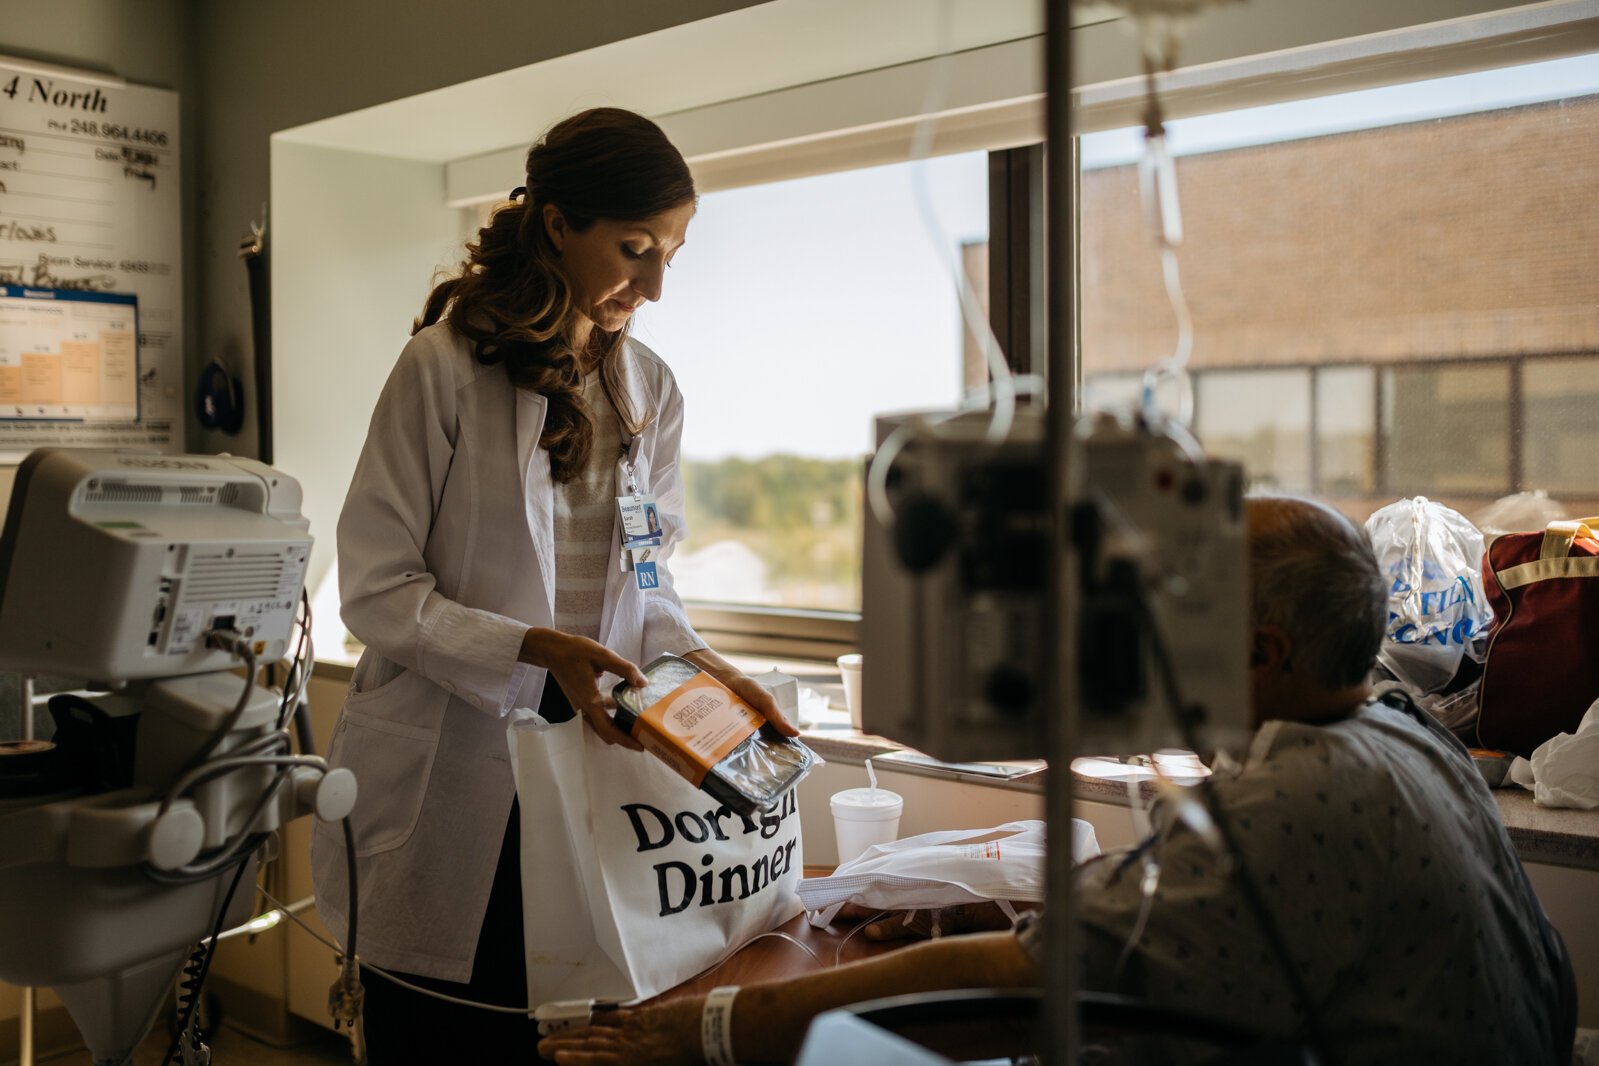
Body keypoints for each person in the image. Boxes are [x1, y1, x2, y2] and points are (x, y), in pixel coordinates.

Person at [539, 496, 1576, 1066]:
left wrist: (706, 1032)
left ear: (1262, 652)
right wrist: (968, 918)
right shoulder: (1404, 733)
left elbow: (1022, 985)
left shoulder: (1287, 803)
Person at [309, 107, 796, 1063]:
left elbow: (648, 590)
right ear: (558, 224)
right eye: (634, 248)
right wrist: (536, 652)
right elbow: (374, 587)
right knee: (444, 1030)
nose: (654, 285)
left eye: (672, 255)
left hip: (588, 774)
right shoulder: (443, 370)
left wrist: (705, 672)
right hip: (454, 775)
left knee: (568, 1035)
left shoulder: (649, 391)